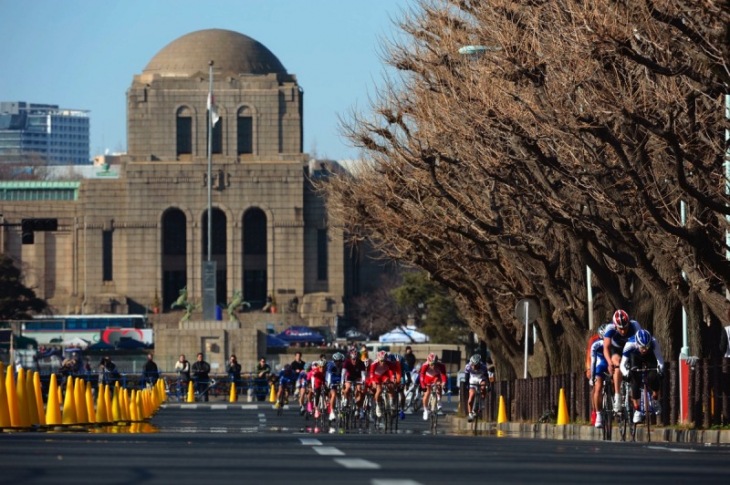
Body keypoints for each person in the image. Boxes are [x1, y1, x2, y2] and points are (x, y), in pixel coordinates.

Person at [620, 329, 665, 424]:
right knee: (634, 378)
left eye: (647, 346)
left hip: (650, 357)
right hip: (635, 357)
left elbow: (660, 360)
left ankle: (655, 400)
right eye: (642, 347)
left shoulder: (653, 342)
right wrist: (626, 373)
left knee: (653, 376)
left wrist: (660, 371)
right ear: (637, 343)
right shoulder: (630, 345)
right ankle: (637, 410)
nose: (645, 349)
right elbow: (622, 365)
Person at [603, 309, 642, 412]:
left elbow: (640, 343)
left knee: (635, 366)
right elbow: (606, 347)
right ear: (615, 326)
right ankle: (617, 396)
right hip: (616, 349)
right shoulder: (610, 328)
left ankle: (635, 397)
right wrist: (609, 362)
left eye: (625, 327)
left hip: (631, 348)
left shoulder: (635, 325)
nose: (623, 331)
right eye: (620, 329)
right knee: (617, 364)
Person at [588, 324, 610, 428]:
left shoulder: (614, 340)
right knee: (598, 387)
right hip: (600, 364)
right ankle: (598, 414)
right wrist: (592, 376)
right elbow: (593, 361)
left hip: (611, 362)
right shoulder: (595, 344)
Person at [464, 353, 495, 422]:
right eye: (472, 365)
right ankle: (470, 413)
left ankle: (482, 401)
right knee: (471, 398)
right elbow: (466, 377)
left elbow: (486, 377)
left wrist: (488, 385)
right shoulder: (468, 366)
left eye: (475, 365)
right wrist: (467, 384)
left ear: (478, 364)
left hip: (480, 378)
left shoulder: (483, 367)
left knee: (483, 388)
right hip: (473, 378)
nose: (473, 366)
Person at [419, 352, 447, 421]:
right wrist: (423, 385)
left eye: (435, 364)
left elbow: (443, 375)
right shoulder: (425, 365)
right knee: (427, 392)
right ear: (428, 361)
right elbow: (422, 375)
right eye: (431, 364)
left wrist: (443, 383)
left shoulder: (441, 365)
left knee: (439, 386)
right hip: (427, 378)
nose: (433, 366)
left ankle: (439, 401)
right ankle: (425, 410)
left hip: (436, 377)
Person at [366, 350, 394, 418]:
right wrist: (373, 382)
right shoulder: (374, 364)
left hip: (383, 375)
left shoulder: (389, 363)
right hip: (375, 376)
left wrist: (393, 379)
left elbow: (392, 372)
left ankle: (391, 403)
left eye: (384, 361)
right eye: (381, 361)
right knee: (379, 390)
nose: (383, 363)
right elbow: (371, 373)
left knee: (390, 386)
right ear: (378, 359)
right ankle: (377, 406)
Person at [342, 348, 367, 418]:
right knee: (348, 388)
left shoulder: (361, 363)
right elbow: (343, 373)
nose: (354, 361)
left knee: (359, 390)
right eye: (353, 359)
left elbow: (363, 375)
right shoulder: (346, 362)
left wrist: (363, 382)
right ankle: (346, 399)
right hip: (349, 378)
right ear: (350, 357)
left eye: (355, 359)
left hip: (358, 378)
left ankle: (359, 407)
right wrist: (342, 382)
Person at [325, 352, 345, 421]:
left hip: (340, 378)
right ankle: (332, 412)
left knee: (345, 391)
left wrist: (343, 383)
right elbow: (329, 375)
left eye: (340, 361)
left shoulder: (343, 365)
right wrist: (329, 383)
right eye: (336, 361)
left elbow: (344, 374)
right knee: (333, 394)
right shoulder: (330, 365)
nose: (338, 363)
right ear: (334, 361)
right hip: (332, 380)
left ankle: (343, 405)